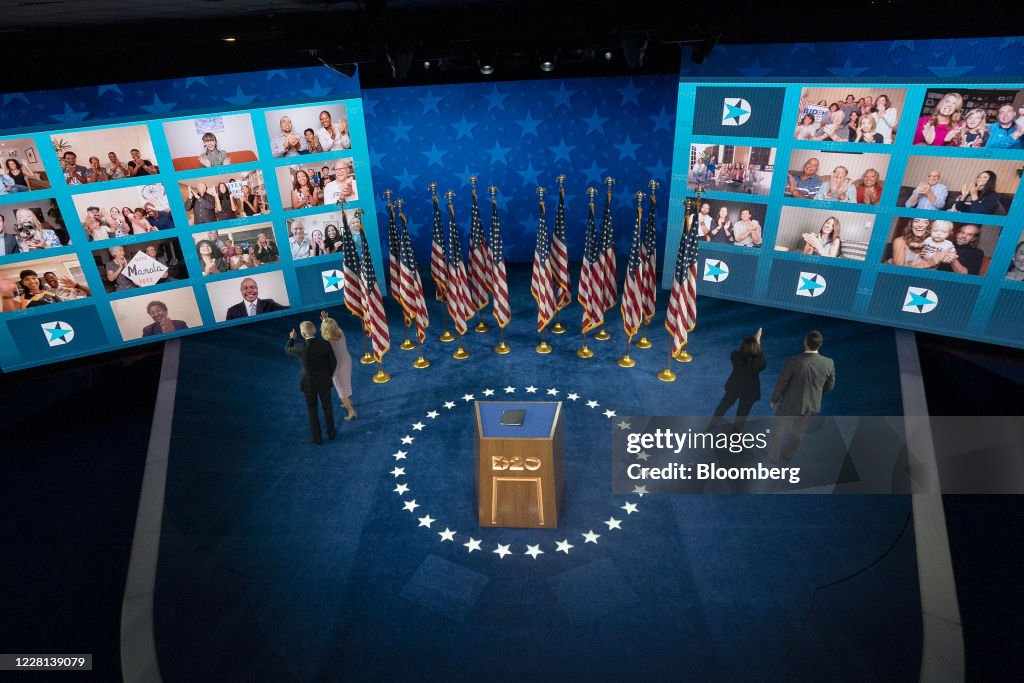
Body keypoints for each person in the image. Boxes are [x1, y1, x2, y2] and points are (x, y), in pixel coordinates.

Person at [767, 330, 835, 462]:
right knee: (799, 431)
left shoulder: (793, 361)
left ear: (805, 342)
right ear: (820, 345)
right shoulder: (829, 363)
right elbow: (830, 386)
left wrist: (775, 399)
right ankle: (788, 454)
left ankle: (773, 455)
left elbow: (782, 382)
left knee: (779, 428)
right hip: (810, 406)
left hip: (789, 404)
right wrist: (815, 396)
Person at [286, 320, 337, 445]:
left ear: (303, 334)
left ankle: (317, 438)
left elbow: (288, 349)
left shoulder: (300, 348)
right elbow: (333, 362)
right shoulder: (325, 344)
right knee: (327, 407)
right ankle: (331, 434)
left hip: (308, 383)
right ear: (314, 330)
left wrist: (291, 338)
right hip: (324, 380)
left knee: (312, 410)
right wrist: (328, 375)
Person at [708, 328, 766, 431]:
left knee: (723, 407)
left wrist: (755, 343)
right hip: (750, 392)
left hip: (734, 387)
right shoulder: (758, 363)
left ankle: (710, 428)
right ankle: (735, 438)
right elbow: (761, 361)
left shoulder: (735, 355)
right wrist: (758, 344)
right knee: (742, 415)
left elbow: (740, 355)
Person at [321, 311, 357, 420]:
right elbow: (330, 326)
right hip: (347, 360)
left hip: (338, 366)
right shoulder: (340, 332)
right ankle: (347, 401)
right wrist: (326, 319)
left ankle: (351, 411)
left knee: (341, 391)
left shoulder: (328, 340)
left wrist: (324, 321)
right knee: (344, 384)